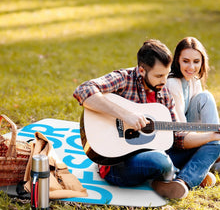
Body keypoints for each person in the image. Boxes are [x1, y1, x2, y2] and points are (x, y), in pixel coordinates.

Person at [73, 39, 220, 199]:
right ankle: (183, 173)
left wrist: (211, 135)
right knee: (160, 161)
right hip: (118, 163)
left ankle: (182, 181)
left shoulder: (163, 93)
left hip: (158, 153)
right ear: (142, 71)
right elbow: (83, 90)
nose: (164, 81)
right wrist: (125, 115)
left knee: (215, 144)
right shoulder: (124, 78)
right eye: (158, 76)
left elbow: (178, 137)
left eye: (166, 74)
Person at [166, 37, 220, 173]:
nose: (191, 67)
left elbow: (202, 119)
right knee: (206, 96)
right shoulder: (173, 83)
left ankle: (214, 151)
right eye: (186, 61)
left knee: (205, 96)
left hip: (193, 132)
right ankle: (213, 152)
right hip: (177, 139)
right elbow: (181, 129)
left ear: (202, 62)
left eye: (196, 62)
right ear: (177, 60)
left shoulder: (194, 80)